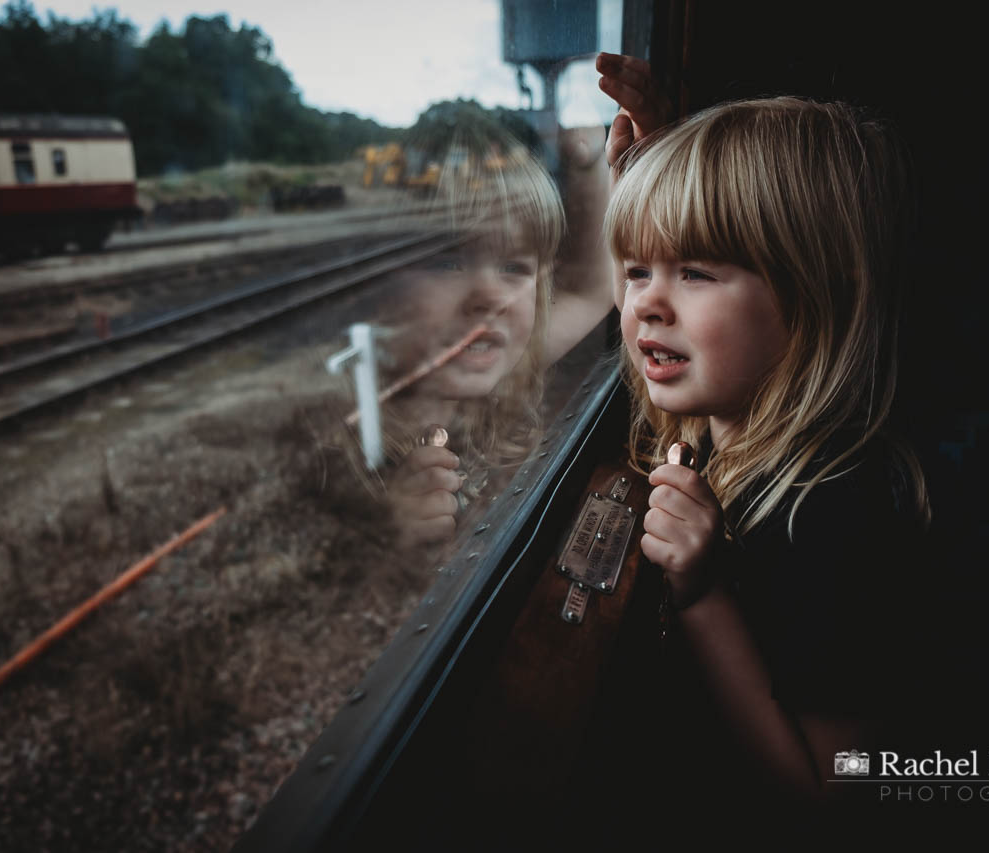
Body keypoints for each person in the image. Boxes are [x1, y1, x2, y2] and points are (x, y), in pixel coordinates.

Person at [596, 52, 940, 806]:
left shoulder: (835, 510)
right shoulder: (726, 416)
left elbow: (828, 789)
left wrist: (704, 592)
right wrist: (660, 161)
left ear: (813, 291)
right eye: (635, 269)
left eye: (695, 271)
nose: (647, 305)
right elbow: (708, 316)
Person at [339, 121, 614, 551]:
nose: (490, 297)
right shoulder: (348, 438)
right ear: (377, 288)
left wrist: (588, 162)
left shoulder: (505, 369)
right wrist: (393, 532)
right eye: (448, 264)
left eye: (513, 269)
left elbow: (590, 287)